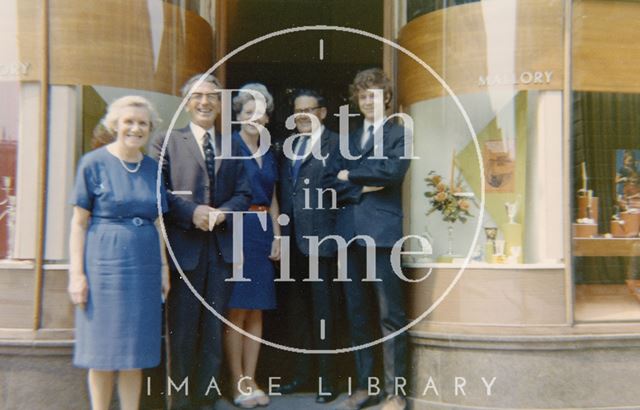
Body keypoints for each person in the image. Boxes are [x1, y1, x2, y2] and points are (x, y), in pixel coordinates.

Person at [149, 73, 252, 410]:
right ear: (187, 103)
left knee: (213, 326)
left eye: (212, 96)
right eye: (197, 96)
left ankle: (207, 398)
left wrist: (223, 213)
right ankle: (179, 401)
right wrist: (192, 212)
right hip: (183, 249)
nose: (205, 102)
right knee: (182, 327)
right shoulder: (165, 141)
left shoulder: (233, 144)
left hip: (220, 248)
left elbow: (244, 192)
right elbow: (158, 191)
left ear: (220, 104)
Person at [68, 96, 169, 410]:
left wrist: (164, 268)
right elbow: (79, 224)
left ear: (150, 129)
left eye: (142, 123)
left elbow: (159, 221)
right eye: (129, 121)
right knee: (101, 352)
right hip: (103, 266)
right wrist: (77, 275)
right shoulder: (93, 163)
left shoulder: (153, 168)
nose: (135, 128)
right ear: (115, 125)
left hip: (144, 266)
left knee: (133, 353)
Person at [327, 68, 411, 410]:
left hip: (382, 234)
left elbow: (394, 171)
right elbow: (332, 180)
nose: (368, 102)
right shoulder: (348, 138)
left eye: (374, 95)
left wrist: (354, 176)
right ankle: (366, 387)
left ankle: (395, 393)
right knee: (357, 313)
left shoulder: (399, 132)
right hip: (348, 232)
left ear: (386, 98)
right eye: (362, 97)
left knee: (391, 315)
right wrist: (365, 182)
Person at [275, 89, 340, 403]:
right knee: (297, 313)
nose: (302, 115)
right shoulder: (288, 147)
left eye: (309, 110)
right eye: (297, 110)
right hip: (291, 243)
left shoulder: (338, 144)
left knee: (324, 314)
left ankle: (328, 380)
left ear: (323, 113)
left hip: (322, 242)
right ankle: (300, 376)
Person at [225, 83, 280, 408]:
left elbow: (273, 198)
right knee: (236, 310)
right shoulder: (228, 146)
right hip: (235, 229)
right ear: (238, 115)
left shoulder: (269, 151)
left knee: (256, 309)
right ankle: (237, 382)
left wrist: (277, 235)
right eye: (248, 113)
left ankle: (252, 378)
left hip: (261, 232)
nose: (253, 119)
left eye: (259, 114)